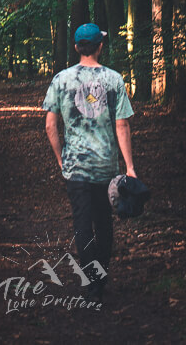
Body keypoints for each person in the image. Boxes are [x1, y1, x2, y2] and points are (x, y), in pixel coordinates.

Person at [42, 22, 135, 299]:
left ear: (76, 47)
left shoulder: (61, 80)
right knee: (104, 224)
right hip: (106, 166)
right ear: (100, 46)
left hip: (76, 168)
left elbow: (50, 125)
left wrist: (61, 160)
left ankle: (90, 284)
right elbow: (123, 126)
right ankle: (100, 278)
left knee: (82, 225)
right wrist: (129, 167)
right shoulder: (114, 80)